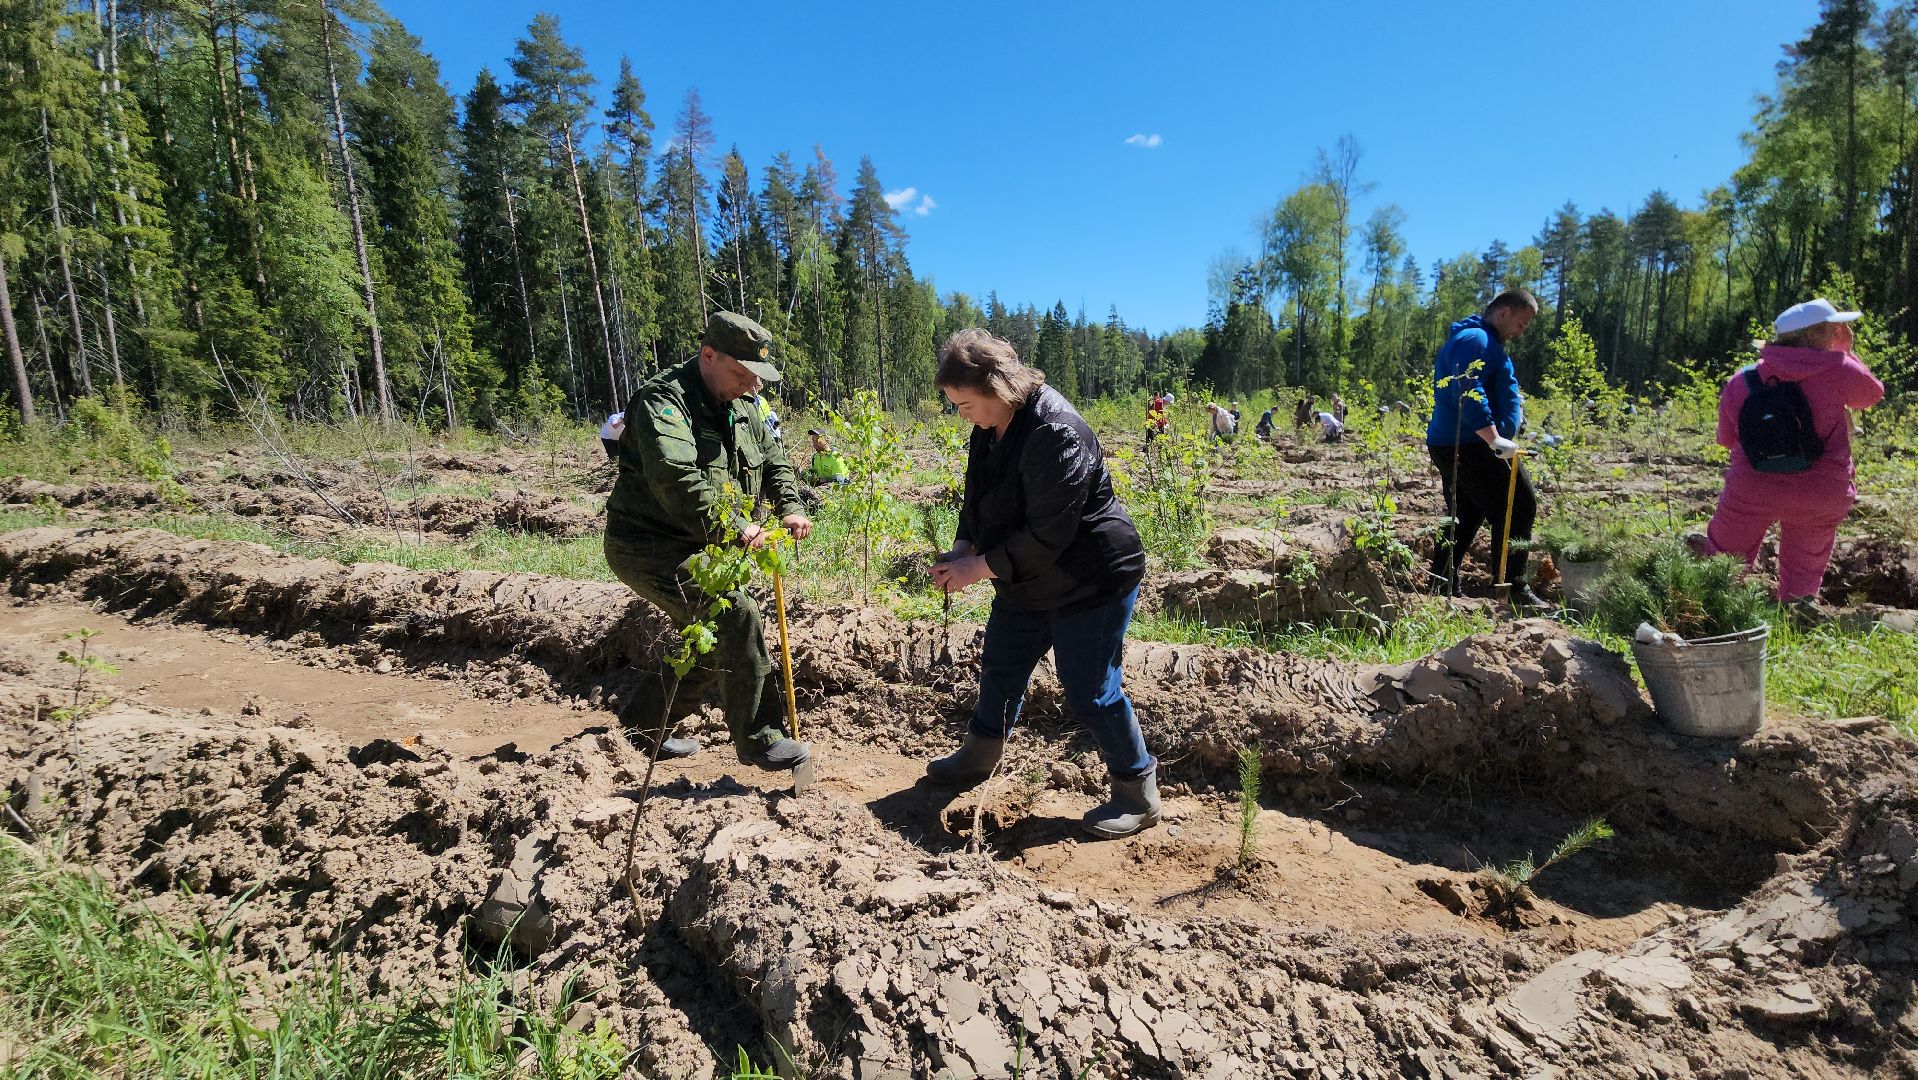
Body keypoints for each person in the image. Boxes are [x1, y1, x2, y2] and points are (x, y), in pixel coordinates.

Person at [924, 329, 1158, 839]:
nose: (960, 414)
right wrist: (965, 549)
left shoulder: (1056, 430)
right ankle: (978, 757)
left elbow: (1050, 532)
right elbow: (977, 499)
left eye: (963, 404)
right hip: (1026, 578)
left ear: (996, 387)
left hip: (1090, 579)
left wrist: (978, 568)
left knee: (1091, 690)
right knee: (1001, 668)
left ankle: (1137, 790)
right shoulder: (988, 430)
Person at [603, 311, 813, 771]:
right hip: (647, 544)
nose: (751, 386)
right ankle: (760, 739)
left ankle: (643, 727)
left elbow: (774, 458)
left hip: (703, 545)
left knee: (708, 634)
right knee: (735, 613)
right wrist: (737, 526)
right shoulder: (664, 403)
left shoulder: (744, 405)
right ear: (708, 355)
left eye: (757, 377)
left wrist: (790, 505)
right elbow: (676, 479)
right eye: (742, 374)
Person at [1691, 298, 1884, 604]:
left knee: (1723, 566)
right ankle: (1796, 622)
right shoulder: (1840, 369)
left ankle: (1717, 618)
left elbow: (1728, 440)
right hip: (1821, 492)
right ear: (1813, 334)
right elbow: (1872, 394)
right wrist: (1845, 352)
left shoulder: (1742, 380)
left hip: (1752, 488)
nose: (1837, 333)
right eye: (1832, 329)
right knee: (1804, 571)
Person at [1426, 288, 1543, 605]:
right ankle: (1512, 588)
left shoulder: (1486, 343)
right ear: (1504, 313)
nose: (1523, 330)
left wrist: (1512, 418)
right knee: (1518, 505)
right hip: (1469, 444)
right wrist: (1494, 438)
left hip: (1461, 443)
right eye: (1522, 322)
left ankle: (1441, 584)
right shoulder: (1476, 339)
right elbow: (1467, 387)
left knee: (1465, 513)